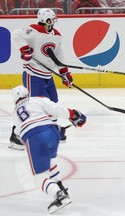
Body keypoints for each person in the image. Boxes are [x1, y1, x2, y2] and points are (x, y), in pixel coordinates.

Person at [12, 85, 86, 214]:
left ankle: (59, 195)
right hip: (52, 132)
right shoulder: (36, 99)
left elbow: (19, 135)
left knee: (39, 177)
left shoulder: (14, 113)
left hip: (35, 138)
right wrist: (74, 114)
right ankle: (60, 186)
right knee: (51, 161)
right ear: (27, 94)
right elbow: (56, 109)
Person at [10, 8, 73, 150]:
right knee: (34, 108)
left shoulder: (56, 35)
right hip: (33, 74)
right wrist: (25, 50)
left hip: (47, 76)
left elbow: (59, 55)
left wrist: (65, 73)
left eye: (54, 19)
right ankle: (17, 135)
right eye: (51, 19)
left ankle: (50, 131)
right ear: (44, 20)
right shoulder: (34, 30)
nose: (53, 22)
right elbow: (16, 35)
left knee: (53, 104)